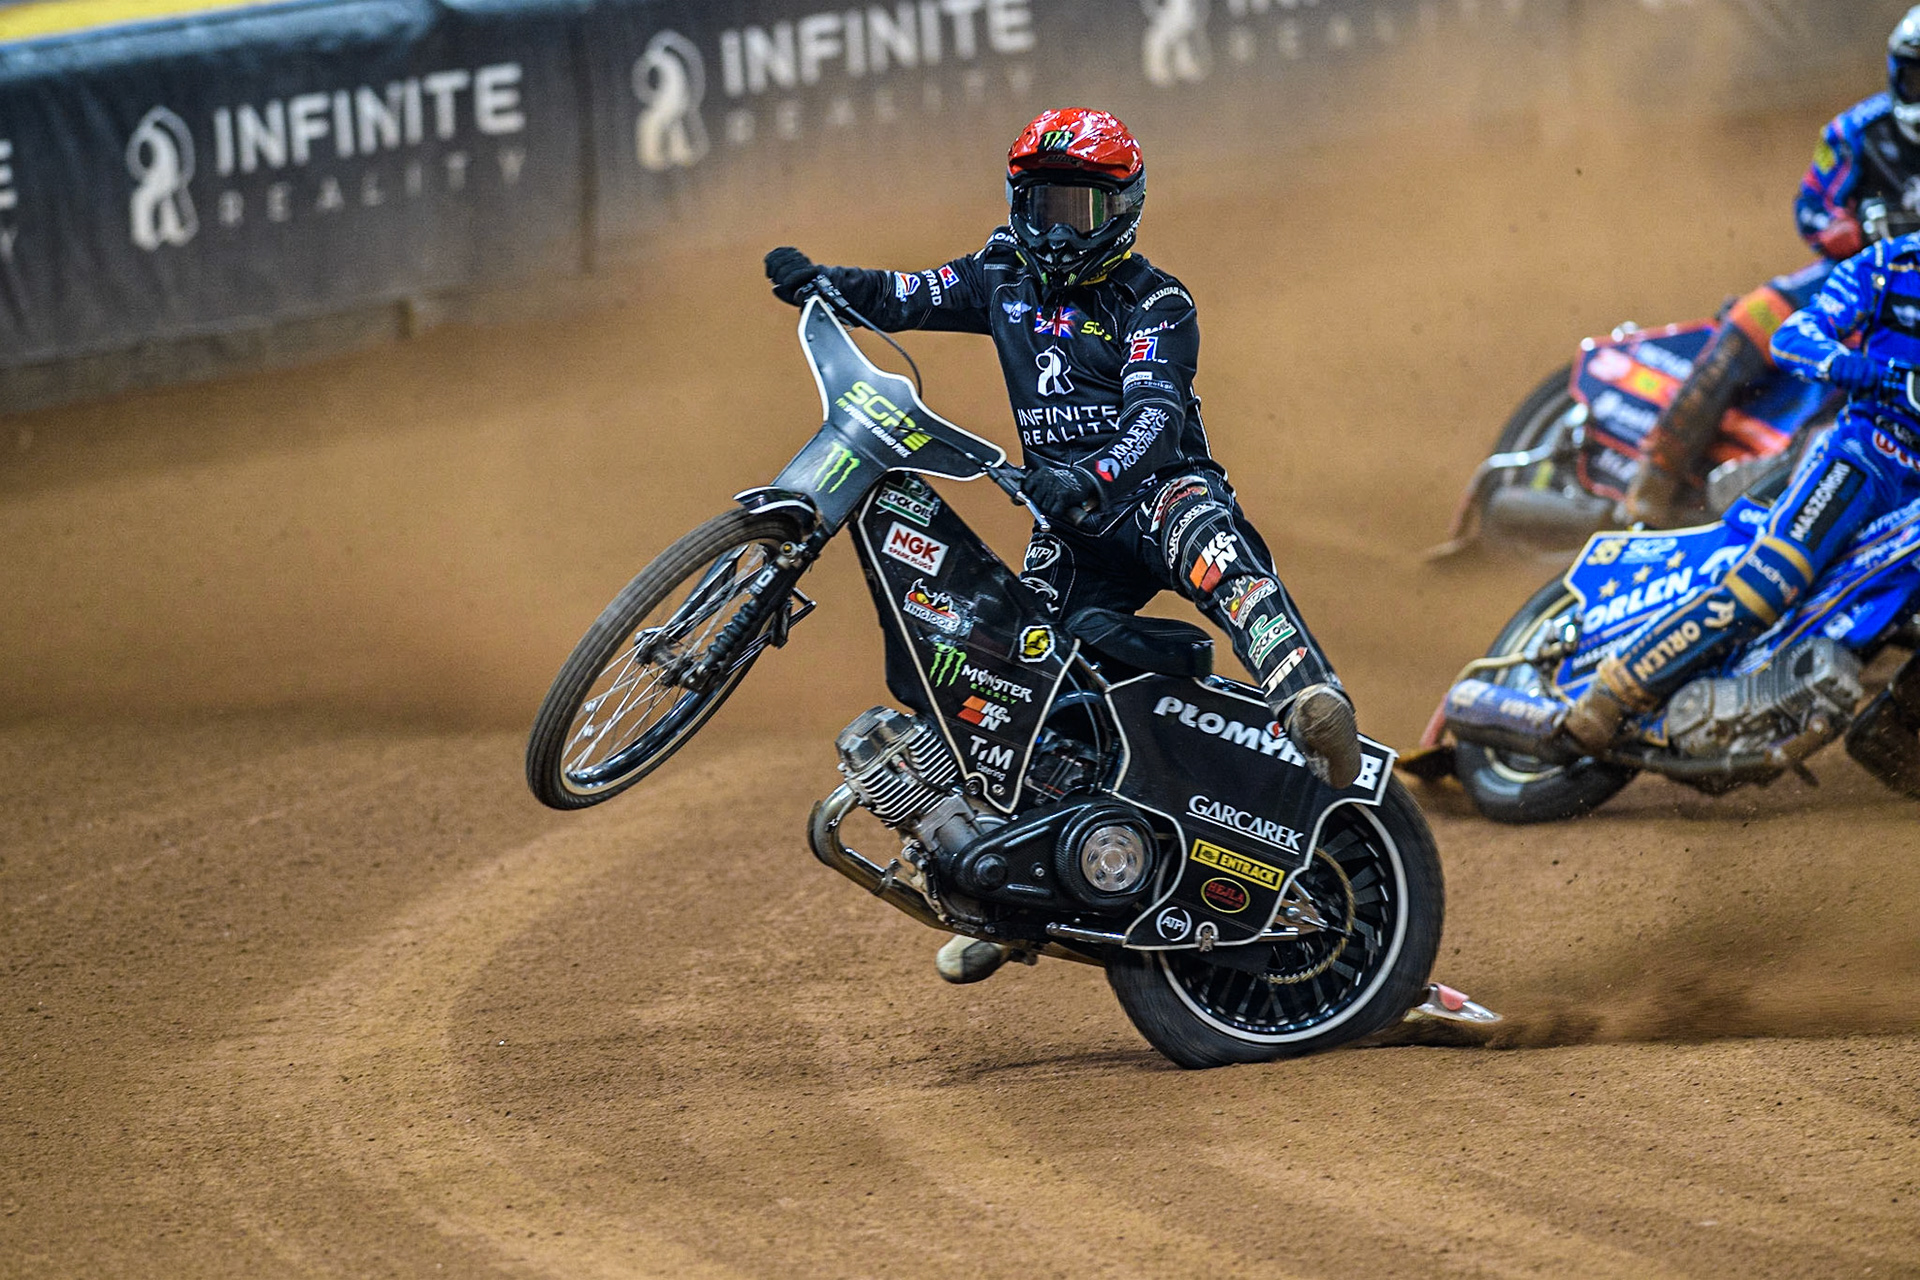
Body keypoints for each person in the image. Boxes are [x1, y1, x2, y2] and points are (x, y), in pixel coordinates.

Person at [764, 107, 1362, 982]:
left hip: (1155, 495)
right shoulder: (1000, 270)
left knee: (1215, 547)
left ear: (1122, 210)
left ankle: (1309, 697)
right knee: (1006, 681)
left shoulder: (1158, 300)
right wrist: (821, 281)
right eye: (1039, 203)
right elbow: (906, 295)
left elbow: (1155, 418)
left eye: (1075, 210)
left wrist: (1089, 479)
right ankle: (1014, 888)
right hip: (1073, 535)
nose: (1052, 227)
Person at [1557, 229, 1920, 800]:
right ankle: (1615, 692)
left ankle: (1899, 730)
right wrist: (1844, 363)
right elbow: (1797, 330)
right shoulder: (1893, 264)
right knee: (1774, 580)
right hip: (1866, 455)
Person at [1624, 4, 1920, 528]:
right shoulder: (1857, 132)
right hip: (1852, 277)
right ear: (1899, 74)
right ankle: (1657, 471)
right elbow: (1810, 209)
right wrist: (1859, 228)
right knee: (1756, 318)